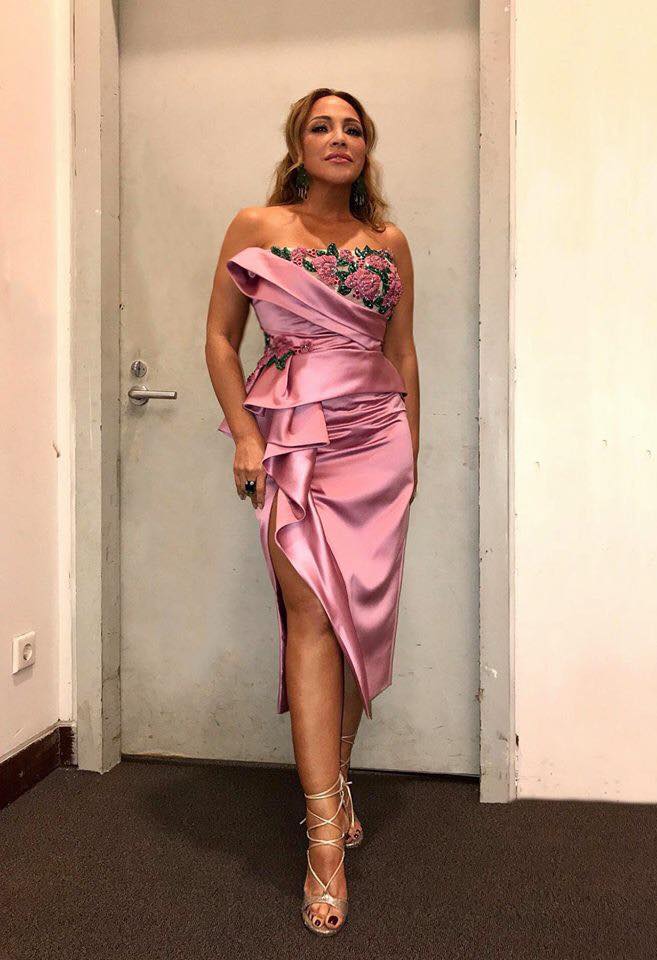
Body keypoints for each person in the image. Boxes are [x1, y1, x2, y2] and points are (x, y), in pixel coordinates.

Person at [205, 86, 419, 935]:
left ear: (366, 147)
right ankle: (323, 836)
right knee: (309, 618)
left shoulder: (387, 241)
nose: (339, 138)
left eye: (353, 128)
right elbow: (220, 339)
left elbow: (402, 353)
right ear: (297, 145)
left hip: (376, 442)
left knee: (356, 615)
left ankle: (338, 778)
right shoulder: (257, 225)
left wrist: (412, 455)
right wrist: (245, 436)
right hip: (292, 437)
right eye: (321, 126)